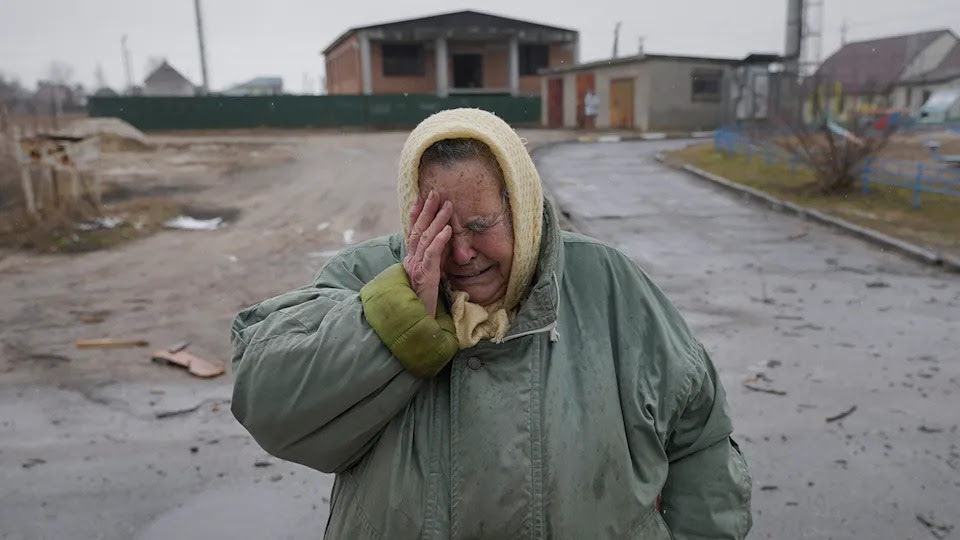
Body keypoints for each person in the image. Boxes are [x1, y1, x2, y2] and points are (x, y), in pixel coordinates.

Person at [230, 108, 753, 539]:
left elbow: (700, 439)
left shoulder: (608, 285)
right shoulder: (365, 277)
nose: (460, 253)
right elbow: (270, 403)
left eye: (481, 226)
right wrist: (399, 314)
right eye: (436, 226)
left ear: (521, 209)